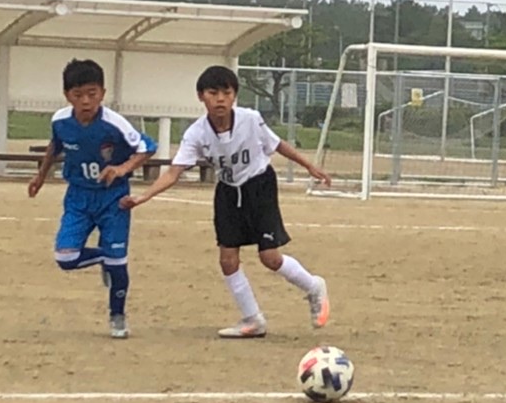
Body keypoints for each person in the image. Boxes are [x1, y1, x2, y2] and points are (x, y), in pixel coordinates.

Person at [121, 65, 333, 338]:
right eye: (213, 93)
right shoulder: (196, 133)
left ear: (234, 95)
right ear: (201, 96)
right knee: (227, 260)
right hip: (228, 191)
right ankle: (253, 319)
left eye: (226, 92)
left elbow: (277, 144)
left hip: (259, 186)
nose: (220, 99)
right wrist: (143, 196)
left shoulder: (250, 119)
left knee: (269, 257)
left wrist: (309, 166)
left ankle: (314, 286)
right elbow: (174, 172)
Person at [27, 59, 156, 339]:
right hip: (78, 198)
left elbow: (147, 147)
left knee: (118, 262)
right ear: (67, 96)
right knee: (65, 257)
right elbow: (55, 146)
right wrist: (41, 176)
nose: (86, 101)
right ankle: (103, 258)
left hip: (113, 199)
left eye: (92, 93)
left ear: (102, 93)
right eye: (78, 95)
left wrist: (121, 169)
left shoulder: (114, 123)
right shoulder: (60, 121)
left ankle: (117, 316)